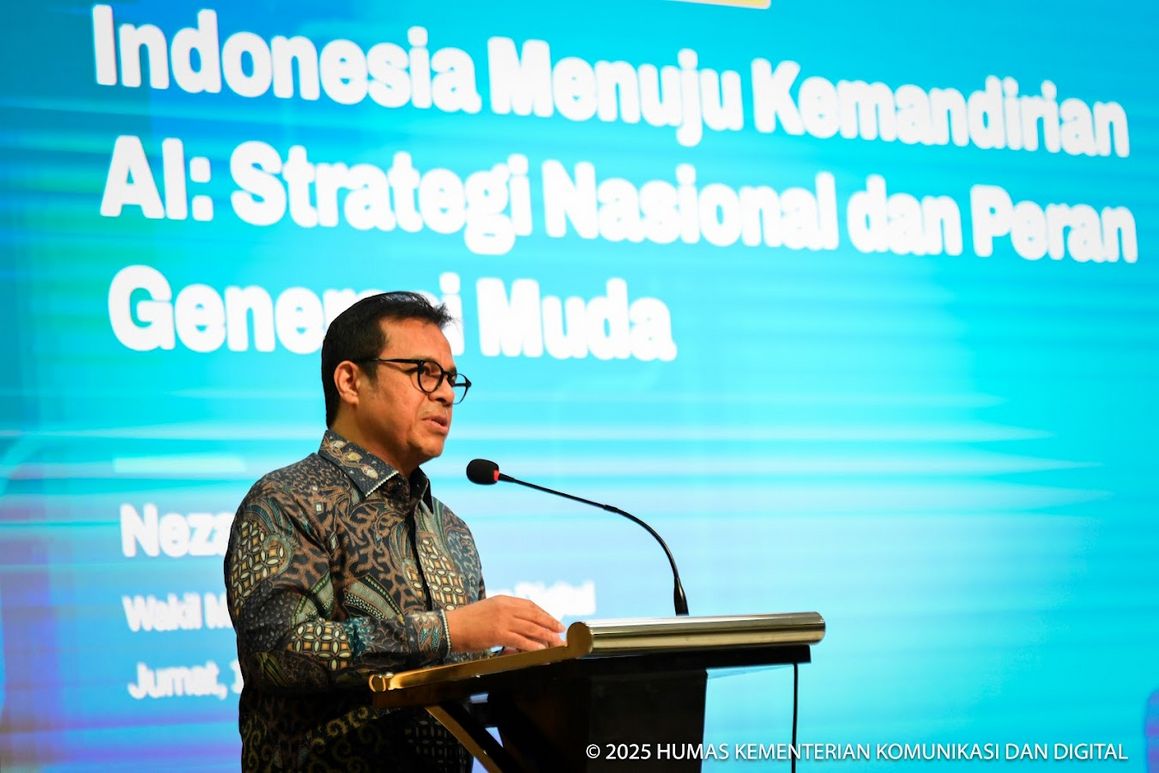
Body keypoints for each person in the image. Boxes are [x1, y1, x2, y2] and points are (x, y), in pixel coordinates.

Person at [224, 291, 564, 771]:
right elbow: (278, 652)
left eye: (450, 378)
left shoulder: (451, 530)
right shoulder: (285, 500)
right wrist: (451, 630)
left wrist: (510, 666)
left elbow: (449, 676)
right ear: (350, 381)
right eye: (424, 372)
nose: (445, 394)